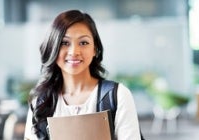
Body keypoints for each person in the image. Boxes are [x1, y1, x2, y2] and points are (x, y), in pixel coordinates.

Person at [24, 9, 141, 140]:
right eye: (64, 43)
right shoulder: (40, 102)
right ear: (53, 48)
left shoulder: (118, 96)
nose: (74, 51)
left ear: (95, 49)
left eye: (83, 43)